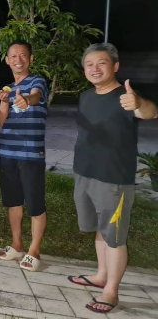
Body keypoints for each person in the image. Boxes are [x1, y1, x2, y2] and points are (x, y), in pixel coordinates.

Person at [67, 43, 157, 313]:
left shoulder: (126, 97)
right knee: (100, 228)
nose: (94, 68)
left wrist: (139, 103)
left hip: (113, 178)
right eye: (89, 64)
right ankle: (101, 275)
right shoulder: (86, 97)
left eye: (101, 63)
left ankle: (111, 291)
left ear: (115, 66)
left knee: (115, 236)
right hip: (84, 173)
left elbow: (150, 112)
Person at [0, 40, 48, 272]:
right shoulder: (7, 88)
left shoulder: (37, 81)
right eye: (14, 56)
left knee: (35, 202)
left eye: (23, 55)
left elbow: (36, 96)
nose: (18, 60)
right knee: (13, 200)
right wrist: (3, 103)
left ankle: (34, 250)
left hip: (31, 153)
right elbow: (1, 122)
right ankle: (17, 244)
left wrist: (26, 100)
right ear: (7, 60)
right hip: (7, 151)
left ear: (31, 58)